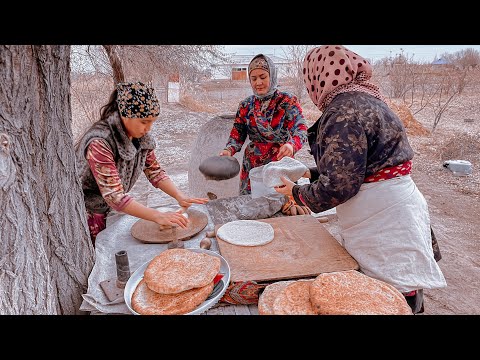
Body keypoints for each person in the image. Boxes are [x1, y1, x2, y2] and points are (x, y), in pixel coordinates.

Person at [274, 45, 446, 314]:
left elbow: (341, 185)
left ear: (318, 76)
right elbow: (363, 163)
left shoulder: (342, 112)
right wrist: (310, 172)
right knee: (402, 284)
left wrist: (297, 192)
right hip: (395, 204)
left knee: (385, 295)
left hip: (381, 216)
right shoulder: (369, 99)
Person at [75, 81, 208, 245]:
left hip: (110, 208)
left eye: (152, 121)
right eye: (144, 122)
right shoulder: (100, 142)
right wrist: (158, 216)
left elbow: (155, 172)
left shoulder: (141, 138)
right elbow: (115, 197)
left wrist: (179, 196)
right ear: (125, 115)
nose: (148, 128)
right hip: (88, 213)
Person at [219, 54, 308, 195]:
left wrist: (291, 145)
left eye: (262, 77)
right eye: (253, 79)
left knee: (282, 207)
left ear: (271, 76)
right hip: (253, 164)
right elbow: (238, 134)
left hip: (280, 162)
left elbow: (301, 129)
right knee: (252, 207)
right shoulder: (246, 105)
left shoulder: (287, 101)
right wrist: (229, 150)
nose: (258, 82)